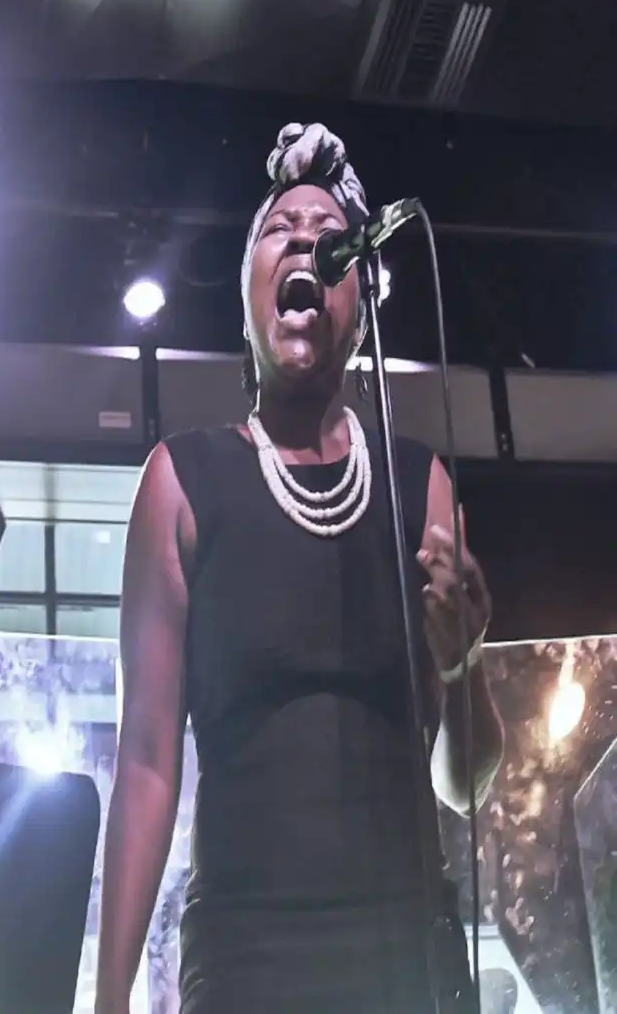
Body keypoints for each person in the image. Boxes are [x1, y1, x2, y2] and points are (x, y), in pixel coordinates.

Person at [95, 123, 505, 1014]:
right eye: (279, 229)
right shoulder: (182, 482)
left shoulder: (420, 485)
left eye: (329, 235)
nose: (305, 241)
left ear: (361, 301)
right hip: (248, 962)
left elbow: (465, 786)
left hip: (409, 958)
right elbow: (148, 763)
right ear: (248, 293)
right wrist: (109, 997)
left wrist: (464, 665)